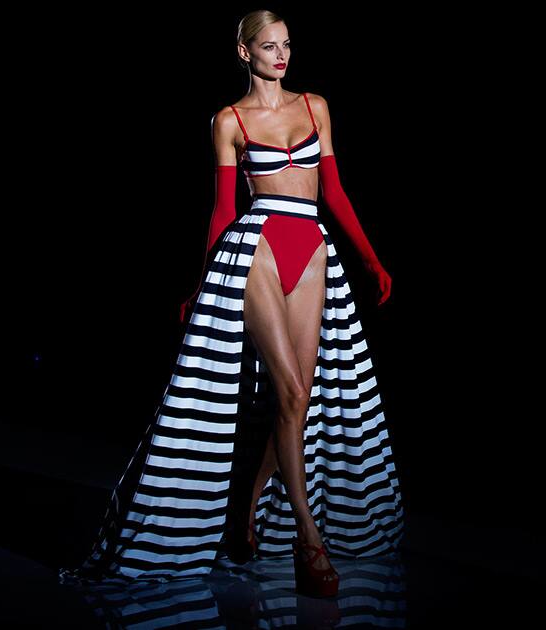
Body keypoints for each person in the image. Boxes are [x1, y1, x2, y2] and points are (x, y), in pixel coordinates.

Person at [60, 10, 404, 599]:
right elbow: (222, 211)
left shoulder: (316, 106)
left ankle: (246, 501)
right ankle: (309, 541)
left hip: (314, 249)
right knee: (291, 391)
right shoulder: (228, 120)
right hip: (257, 251)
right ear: (244, 52)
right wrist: (201, 282)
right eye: (269, 46)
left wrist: (371, 259)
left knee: (300, 397)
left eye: (288, 45)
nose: (282, 55)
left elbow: (336, 191)